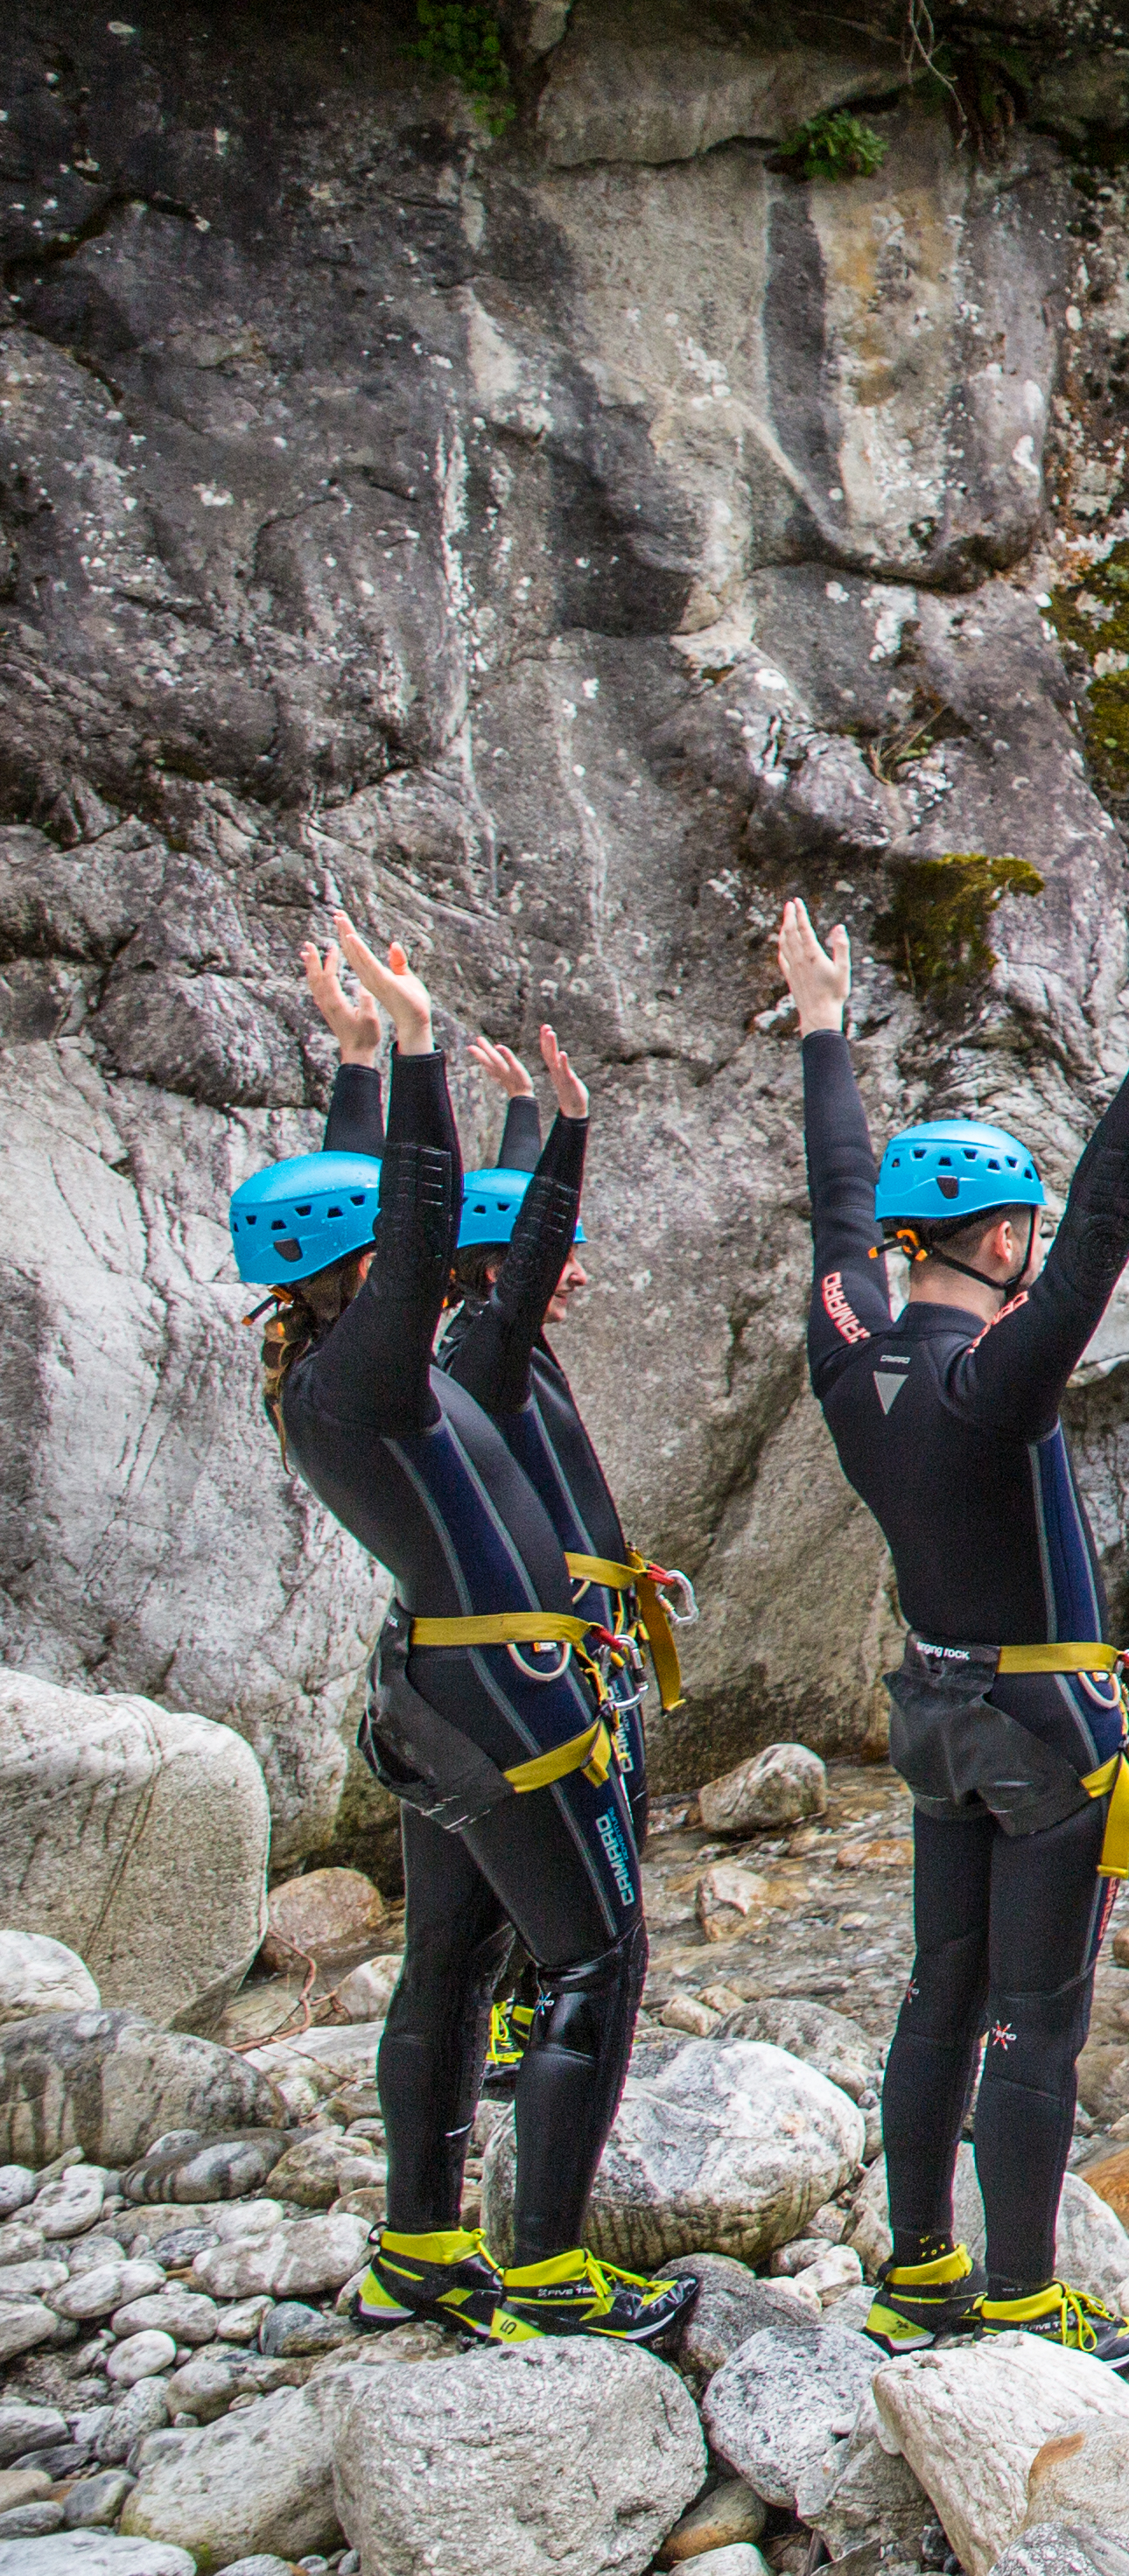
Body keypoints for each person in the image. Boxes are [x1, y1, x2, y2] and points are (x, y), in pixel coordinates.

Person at [774, 892, 1129, 2374]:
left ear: (909, 1242)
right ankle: (1023, 2294)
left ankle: (917, 2271)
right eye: (1027, 1233)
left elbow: (835, 1201)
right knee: (1033, 2022)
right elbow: (1104, 1232)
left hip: (935, 1710)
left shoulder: (850, 1349)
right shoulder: (994, 1379)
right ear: (1006, 1237)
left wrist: (823, 1028)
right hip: (1041, 1729)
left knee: (936, 1997)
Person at [236, 917, 682, 2343]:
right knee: (596, 1958)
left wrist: (359, 1062)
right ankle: (545, 2267)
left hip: (436, 1689)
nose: (413, 1252)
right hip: (505, 1695)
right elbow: (422, 1215)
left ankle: (422, 2249)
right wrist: (420, 1050)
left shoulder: (337, 1368)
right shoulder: (372, 1374)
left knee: (451, 1959)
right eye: (388, 1246)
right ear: (362, 1266)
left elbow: (369, 1206)